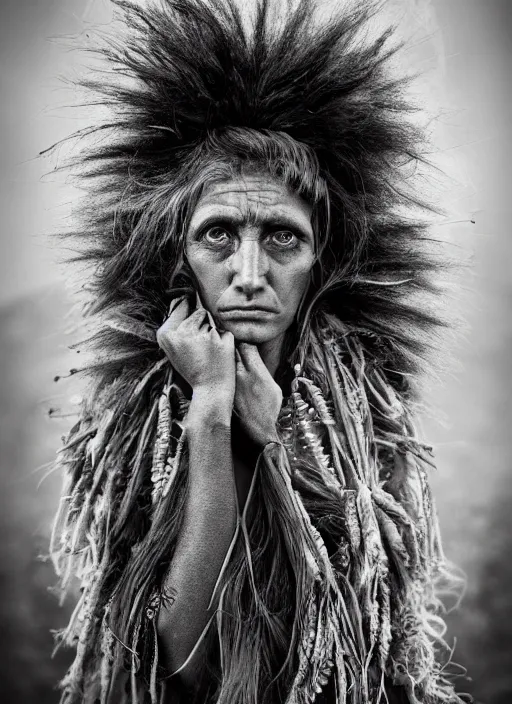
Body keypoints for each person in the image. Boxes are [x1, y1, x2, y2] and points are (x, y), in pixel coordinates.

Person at [49, 0, 468, 702]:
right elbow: (176, 658)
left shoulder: (356, 428)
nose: (248, 272)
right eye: (218, 234)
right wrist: (212, 420)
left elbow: (343, 649)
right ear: (176, 259)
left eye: (282, 236)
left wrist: (273, 443)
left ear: (320, 265)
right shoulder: (135, 432)